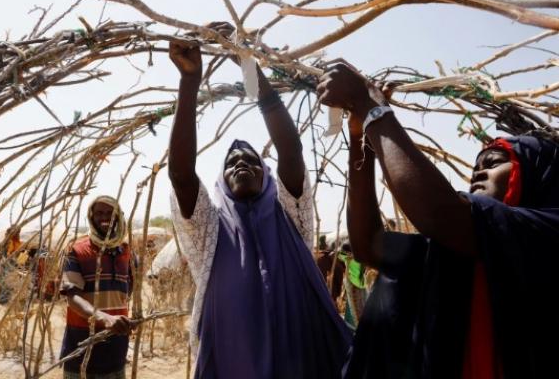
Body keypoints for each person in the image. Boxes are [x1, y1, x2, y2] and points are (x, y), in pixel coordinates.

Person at [318, 63, 559, 379]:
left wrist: (371, 108)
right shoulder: (453, 253)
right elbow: (370, 245)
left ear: (538, 175)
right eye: (476, 166)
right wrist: (359, 136)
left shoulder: (545, 234)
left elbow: (439, 213)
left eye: (495, 163)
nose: (479, 172)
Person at [167, 23, 351, 379]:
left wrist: (248, 65)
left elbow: (291, 150)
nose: (241, 163)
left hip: (300, 363)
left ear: (269, 176)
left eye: (251, 160)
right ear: (220, 183)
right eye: (232, 163)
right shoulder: (208, 229)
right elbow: (181, 176)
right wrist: (189, 83)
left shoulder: (291, 216)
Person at [59, 196, 134, 379]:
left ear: (118, 217)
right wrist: (105, 318)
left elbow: (127, 293)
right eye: (99, 213)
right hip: (82, 347)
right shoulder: (76, 250)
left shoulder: (126, 252)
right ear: (91, 217)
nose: (105, 218)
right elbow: (72, 297)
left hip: (116, 348)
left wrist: (121, 321)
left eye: (110, 213)